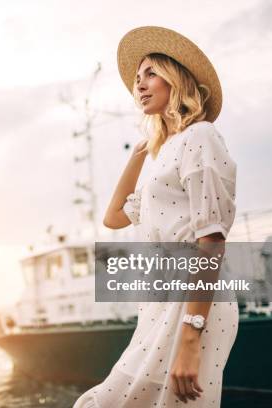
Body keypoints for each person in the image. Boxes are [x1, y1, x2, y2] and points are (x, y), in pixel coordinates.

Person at [72, 26, 239, 407]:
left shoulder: (201, 137)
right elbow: (113, 217)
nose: (140, 85)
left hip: (191, 303)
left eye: (150, 73)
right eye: (136, 79)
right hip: (160, 302)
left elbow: (211, 240)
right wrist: (138, 154)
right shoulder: (165, 154)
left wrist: (191, 338)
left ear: (176, 79)